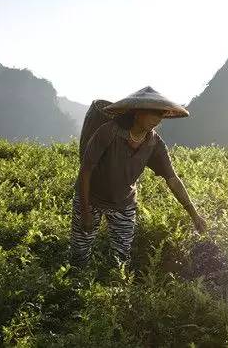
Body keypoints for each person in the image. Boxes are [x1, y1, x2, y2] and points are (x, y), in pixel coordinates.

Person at [71, 86, 207, 267]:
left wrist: (194, 214)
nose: (156, 120)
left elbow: (172, 179)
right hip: (91, 199)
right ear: (137, 113)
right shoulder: (108, 132)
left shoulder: (154, 144)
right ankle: (74, 287)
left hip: (123, 203)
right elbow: (86, 170)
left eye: (160, 115)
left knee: (121, 256)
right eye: (152, 113)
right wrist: (86, 211)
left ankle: (114, 290)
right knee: (79, 251)